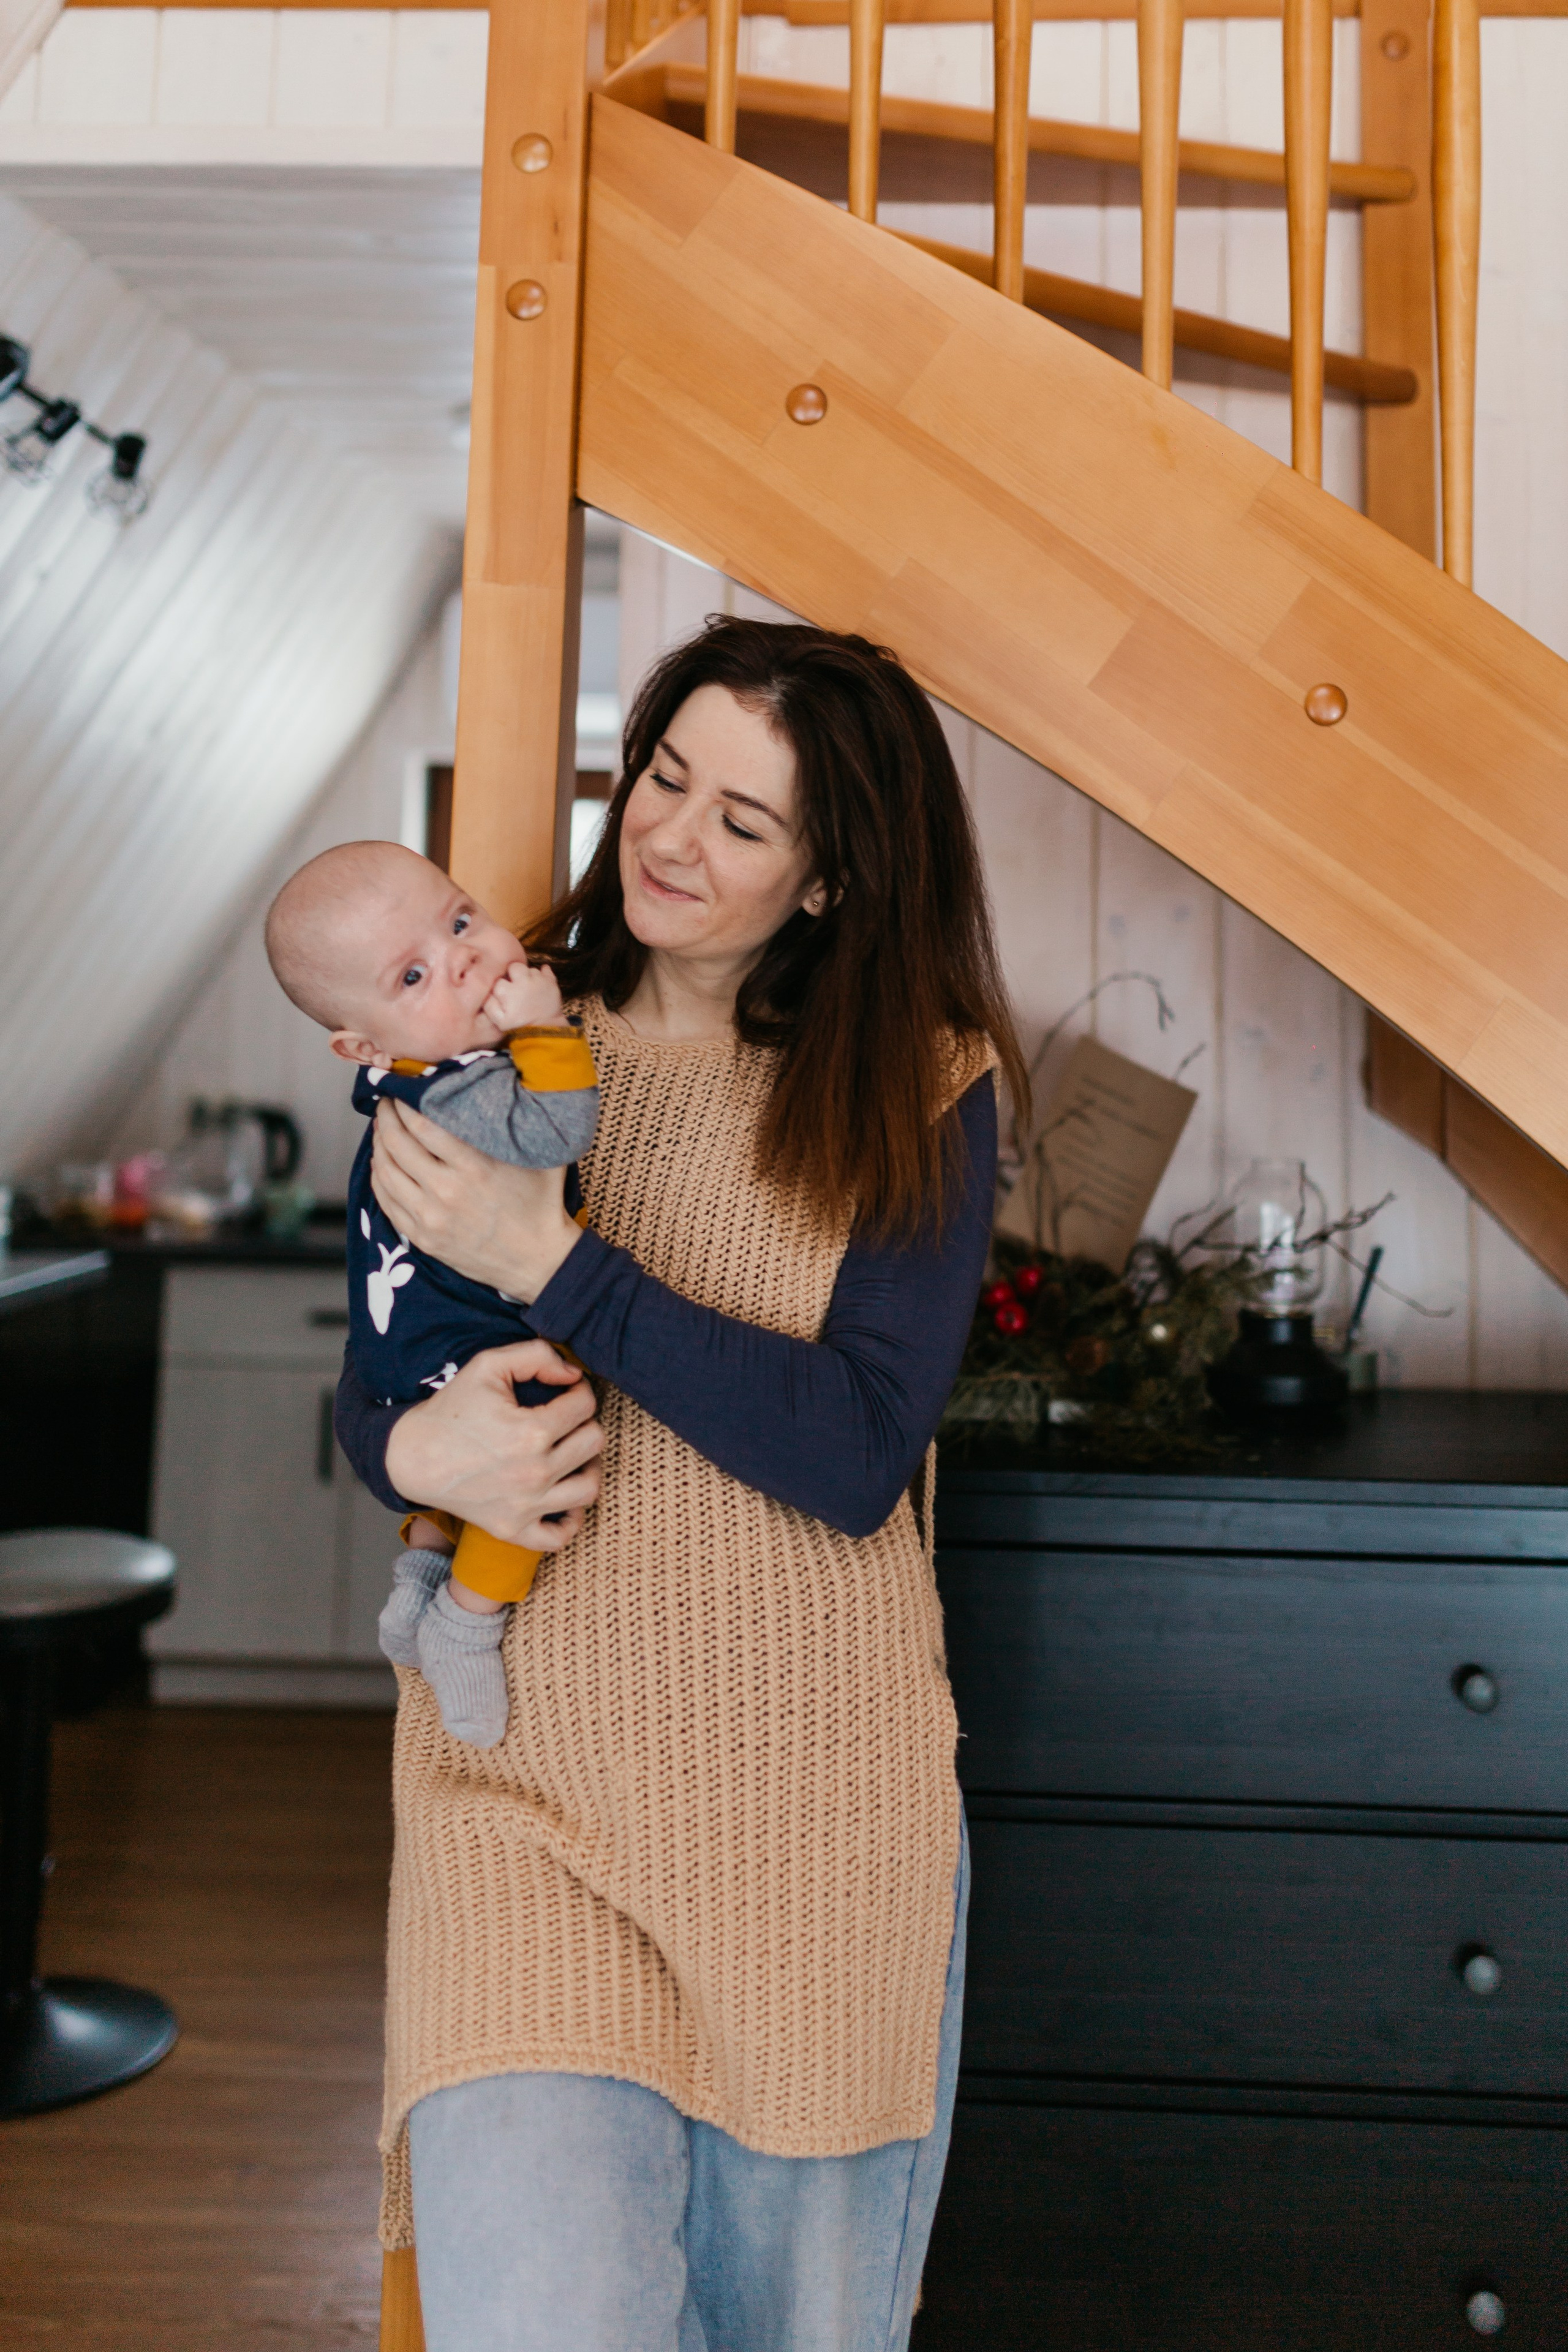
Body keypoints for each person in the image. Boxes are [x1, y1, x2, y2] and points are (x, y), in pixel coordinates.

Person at [333, 616, 1028, 2352]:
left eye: (743, 822)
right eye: (664, 778)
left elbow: (857, 1452)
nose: (669, 836)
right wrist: (409, 1447)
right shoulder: (479, 1030)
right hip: (524, 1805)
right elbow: (392, 1346)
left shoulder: (921, 1090)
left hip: (815, 1831)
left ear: (833, 878)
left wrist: (553, 1260)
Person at [265, 840, 598, 1745]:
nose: (461, 957)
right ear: (361, 1046)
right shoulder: (459, 1088)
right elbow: (555, 1129)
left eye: (459, 920)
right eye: (414, 975)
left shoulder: (408, 1084)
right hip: (461, 1345)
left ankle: (419, 1579)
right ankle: (468, 1620)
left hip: (403, 1348)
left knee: (462, 1485)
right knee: (539, 1456)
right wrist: (545, 1030)